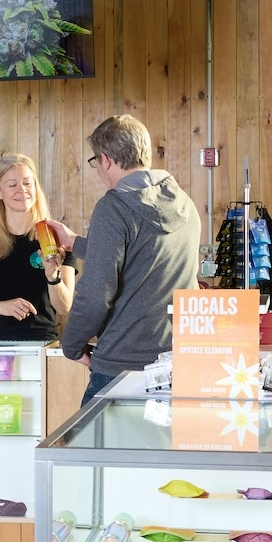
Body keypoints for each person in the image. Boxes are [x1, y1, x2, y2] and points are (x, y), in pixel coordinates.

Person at [60, 114, 201, 390]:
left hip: (121, 365)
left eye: (96, 162)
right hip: (175, 362)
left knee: (92, 422)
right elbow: (143, 258)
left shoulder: (113, 208)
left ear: (106, 159)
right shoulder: (184, 204)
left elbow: (95, 295)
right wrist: (73, 242)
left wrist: (72, 345)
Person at [0, 153, 76, 341]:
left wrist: (53, 277)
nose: (22, 189)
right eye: (12, 185)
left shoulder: (57, 240)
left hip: (40, 344)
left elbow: (64, 307)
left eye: (27, 183)